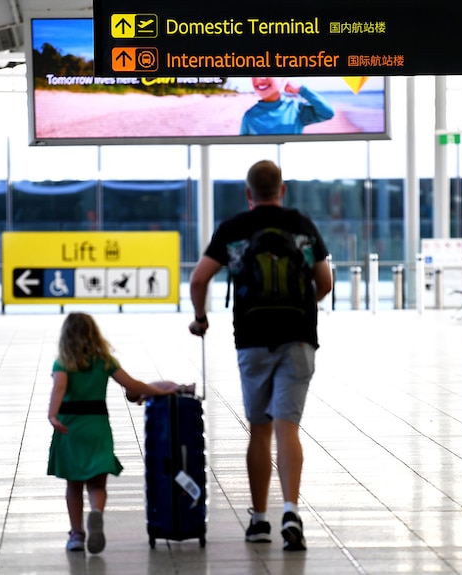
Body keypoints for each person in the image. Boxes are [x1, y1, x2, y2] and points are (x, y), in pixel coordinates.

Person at [187, 160, 333, 551]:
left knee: (261, 428)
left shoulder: (234, 228)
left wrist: (201, 319)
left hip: (252, 338)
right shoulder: (301, 225)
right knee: (289, 426)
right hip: (300, 337)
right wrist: (303, 307)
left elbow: (199, 278)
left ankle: (259, 520)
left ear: (248, 194)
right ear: (282, 190)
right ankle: (291, 510)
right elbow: (326, 282)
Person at [47, 312, 183, 553]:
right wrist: (160, 391)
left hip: (71, 428)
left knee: (74, 485)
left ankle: (77, 534)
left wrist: (53, 415)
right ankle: (96, 512)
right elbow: (133, 386)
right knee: (97, 484)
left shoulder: (63, 364)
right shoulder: (104, 362)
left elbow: (59, 386)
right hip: (97, 426)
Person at [240, 77, 335, 135]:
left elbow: (327, 113)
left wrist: (302, 90)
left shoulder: (294, 108)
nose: (259, 78)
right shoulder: (249, 116)